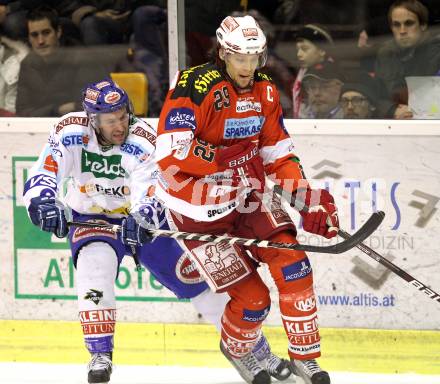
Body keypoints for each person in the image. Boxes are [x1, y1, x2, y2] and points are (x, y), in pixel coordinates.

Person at [22, 79, 291, 384]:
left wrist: (145, 216)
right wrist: (42, 201)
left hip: (145, 221)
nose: (120, 125)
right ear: (92, 120)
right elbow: (45, 170)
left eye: (123, 115)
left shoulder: (144, 139)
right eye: (111, 121)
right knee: (94, 272)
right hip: (91, 216)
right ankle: (100, 353)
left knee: (199, 284)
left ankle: (251, 349)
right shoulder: (68, 132)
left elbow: (153, 185)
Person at [155, 14, 339, 384]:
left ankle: (306, 358)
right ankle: (237, 348)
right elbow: (170, 151)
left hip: (247, 196)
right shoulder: (195, 84)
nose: (247, 66)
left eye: (254, 57)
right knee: (254, 302)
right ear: (223, 52)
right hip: (197, 210)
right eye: (239, 57)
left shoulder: (266, 90)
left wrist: (306, 200)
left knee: (294, 264)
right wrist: (221, 157)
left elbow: (278, 155)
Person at [375, 0, 440, 116]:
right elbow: (376, 94)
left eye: (409, 23)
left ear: (423, 25)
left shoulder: (436, 50)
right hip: (397, 122)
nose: (402, 31)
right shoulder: (385, 53)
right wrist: (392, 110)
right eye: (396, 25)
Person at [16, 6, 82, 116]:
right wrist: (57, 110)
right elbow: (22, 113)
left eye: (46, 33)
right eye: (34, 35)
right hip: (38, 129)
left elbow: (87, 105)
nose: (40, 41)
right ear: (28, 38)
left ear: (58, 32)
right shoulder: (27, 63)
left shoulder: (80, 58)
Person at [292, 24, 334, 118]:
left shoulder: (331, 74)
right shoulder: (303, 72)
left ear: (322, 51)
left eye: (304, 49)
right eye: (297, 49)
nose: (299, 54)